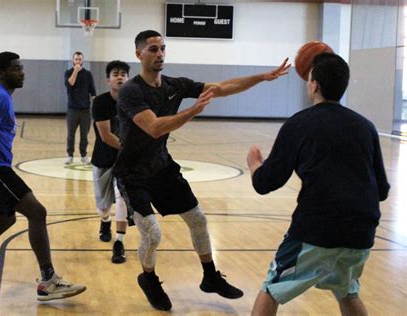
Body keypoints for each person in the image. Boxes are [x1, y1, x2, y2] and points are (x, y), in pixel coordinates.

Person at [114, 30, 290, 311]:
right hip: (132, 173)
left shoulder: (175, 85)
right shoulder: (130, 91)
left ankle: (210, 277)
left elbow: (220, 88)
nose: (159, 53)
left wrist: (260, 77)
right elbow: (154, 126)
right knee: (153, 234)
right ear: (139, 55)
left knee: (197, 219)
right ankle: (148, 279)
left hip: (162, 167)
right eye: (152, 49)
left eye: (162, 48)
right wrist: (192, 111)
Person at [246, 53, 390, 316]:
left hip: (316, 228)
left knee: (271, 289)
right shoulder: (366, 127)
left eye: (309, 79)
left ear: (314, 85)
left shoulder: (299, 124)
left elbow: (266, 183)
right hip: (362, 231)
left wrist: (255, 166)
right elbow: (382, 190)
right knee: (347, 292)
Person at [0, 52, 86, 302]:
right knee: (37, 213)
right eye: (16, 69)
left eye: (22, 68)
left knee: (7, 218)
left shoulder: (1, 97)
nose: (22, 72)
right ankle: (48, 281)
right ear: (1, 73)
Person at [91, 60, 131, 264]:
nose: (120, 77)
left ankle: (119, 242)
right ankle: (104, 220)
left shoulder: (134, 101)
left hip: (124, 162)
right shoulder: (100, 102)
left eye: (124, 73)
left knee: (122, 198)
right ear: (108, 80)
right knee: (103, 206)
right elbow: (106, 136)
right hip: (103, 158)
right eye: (116, 73)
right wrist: (129, 148)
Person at [64, 51, 97, 165]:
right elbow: (70, 84)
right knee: (70, 134)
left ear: (83, 60)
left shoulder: (88, 74)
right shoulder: (68, 73)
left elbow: (92, 90)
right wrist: (75, 71)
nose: (78, 61)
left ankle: (83, 155)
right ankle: (70, 155)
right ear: (73, 60)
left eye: (80, 59)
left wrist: (96, 105)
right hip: (72, 109)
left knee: (84, 135)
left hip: (85, 110)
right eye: (76, 59)